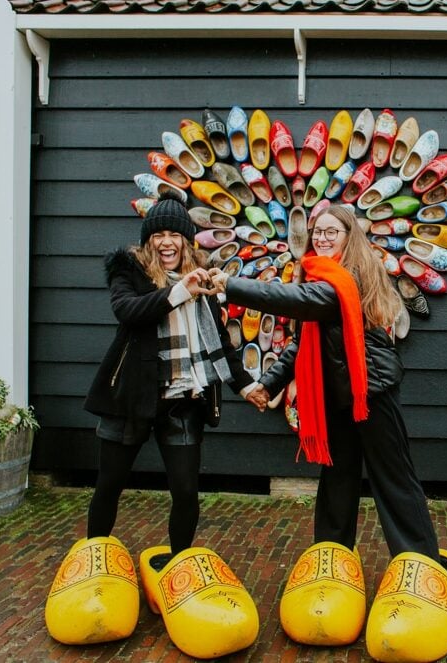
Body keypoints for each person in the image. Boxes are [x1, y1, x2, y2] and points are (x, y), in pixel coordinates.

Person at [209, 204, 441, 563]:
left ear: (349, 237)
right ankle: (332, 557)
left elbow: (298, 303)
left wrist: (231, 285)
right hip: (337, 397)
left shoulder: (349, 278)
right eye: (318, 231)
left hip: (372, 393)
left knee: (393, 479)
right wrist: (268, 385)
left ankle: (422, 559)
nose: (322, 237)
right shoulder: (321, 276)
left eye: (332, 231)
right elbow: (302, 341)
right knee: (337, 480)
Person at [83, 192, 265, 566]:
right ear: (149, 239)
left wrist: (246, 386)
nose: (166, 242)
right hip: (131, 398)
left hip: (184, 399)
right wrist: (180, 291)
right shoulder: (129, 270)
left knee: (185, 491)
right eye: (158, 234)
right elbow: (128, 311)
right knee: (109, 485)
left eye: (174, 234)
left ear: (187, 239)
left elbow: (220, 341)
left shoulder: (202, 280)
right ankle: (94, 560)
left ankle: (180, 563)